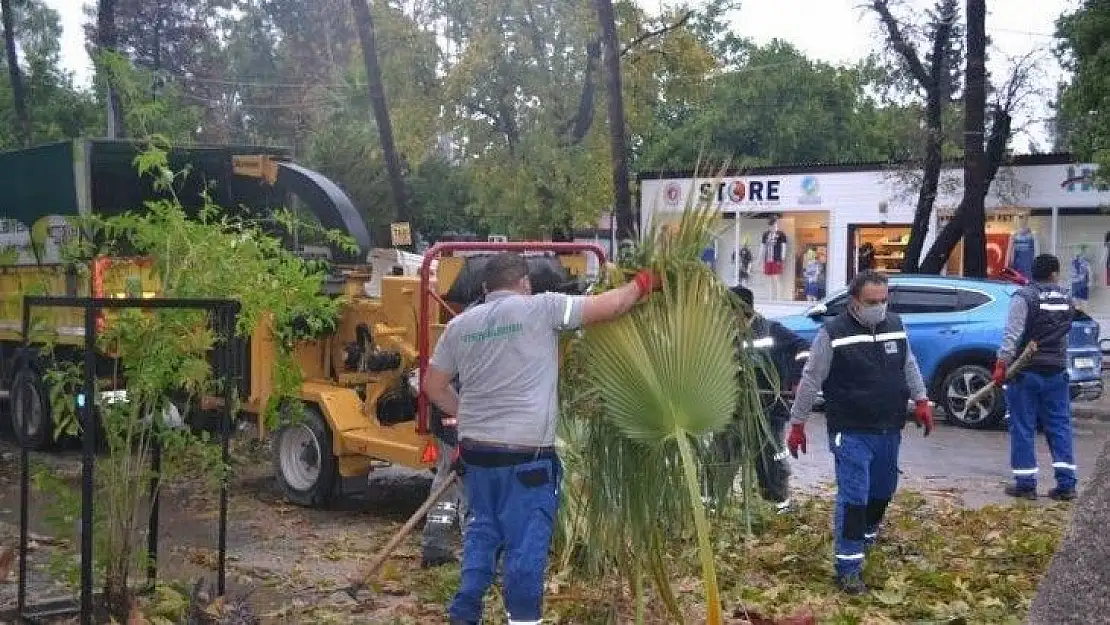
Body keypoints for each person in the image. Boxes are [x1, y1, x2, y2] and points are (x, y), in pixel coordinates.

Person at [423, 252, 660, 625]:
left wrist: (465, 414)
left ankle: (464, 614)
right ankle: (523, 620)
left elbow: (433, 386)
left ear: (486, 288)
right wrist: (645, 282)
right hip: (525, 460)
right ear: (525, 283)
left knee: (481, 533)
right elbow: (611, 306)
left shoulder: (461, 326)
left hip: (477, 456)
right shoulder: (542, 309)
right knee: (524, 549)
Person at [785, 270, 933, 595]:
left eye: (883, 300)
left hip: (889, 426)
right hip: (850, 429)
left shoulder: (895, 324)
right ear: (854, 302)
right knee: (854, 496)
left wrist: (921, 399)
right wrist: (797, 423)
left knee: (883, 490)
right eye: (871, 302)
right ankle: (848, 566)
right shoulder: (833, 332)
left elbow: (909, 364)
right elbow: (811, 379)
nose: (878, 307)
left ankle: (866, 534)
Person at [993, 253, 1078, 502]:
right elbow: (1062, 328)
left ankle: (1026, 484)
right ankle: (1066, 484)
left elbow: (1013, 333)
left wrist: (1001, 364)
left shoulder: (1024, 297)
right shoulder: (1067, 298)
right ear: (1055, 273)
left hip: (1026, 372)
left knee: (1023, 427)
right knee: (1059, 426)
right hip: (1056, 371)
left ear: (1033, 272)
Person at [723, 285, 810, 513]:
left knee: (770, 457)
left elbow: (803, 348)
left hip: (769, 409)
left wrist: (795, 377)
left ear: (744, 310)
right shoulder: (724, 334)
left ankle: (778, 503)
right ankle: (711, 503)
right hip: (735, 408)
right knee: (722, 452)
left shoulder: (771, 331)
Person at [420, 398, 466, 568]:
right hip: (455, 427)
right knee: (467, 489)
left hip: (452, 425)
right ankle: (475, 556)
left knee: (447, 482)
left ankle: (435, 547)